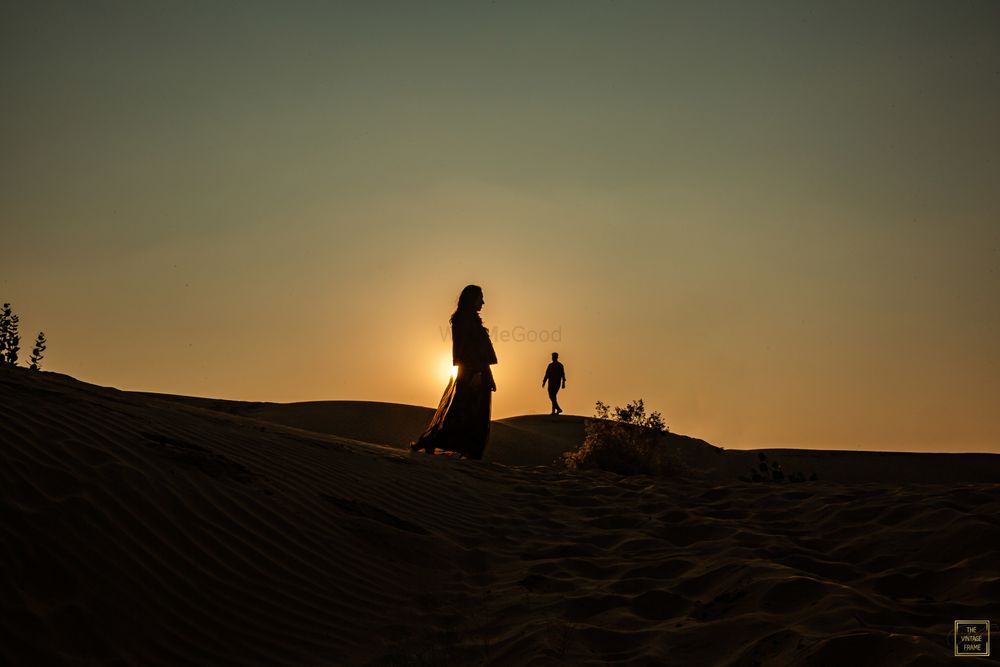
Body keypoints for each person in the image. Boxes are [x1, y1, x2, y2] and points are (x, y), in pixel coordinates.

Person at [411, 285, 497, 460]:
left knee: (472, 414)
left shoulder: (472, 320)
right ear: (471, 298)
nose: (483, 302)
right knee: (464, 413)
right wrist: (476, 374)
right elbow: (465, 350)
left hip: (479, 371)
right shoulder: (463, 320)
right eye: (480, 298)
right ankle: (437, 443)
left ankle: (468, 451)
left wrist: (489, 376)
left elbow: (480, 353)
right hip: (472, 372)